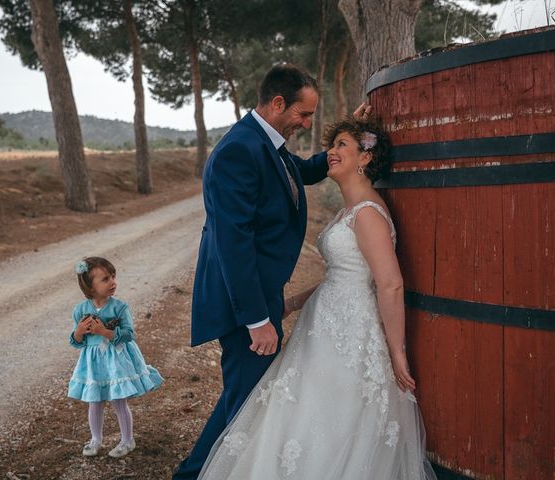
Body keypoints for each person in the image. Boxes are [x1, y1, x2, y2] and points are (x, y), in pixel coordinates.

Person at [197, 116, 437, 479]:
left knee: (332, 420)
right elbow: (343, 276)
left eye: (343, 145)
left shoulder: (368, 214)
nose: (332, 152)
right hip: (322, 327)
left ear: (366, 158)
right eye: (333, 144)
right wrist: (292, 303)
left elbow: (389, 285)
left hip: (350, 336)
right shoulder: (349, 211)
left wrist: (398, 352)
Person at [172, 64, 335, 480]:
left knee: (245, 395)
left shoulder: (267, 143)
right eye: (304, 114)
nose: (306, 123)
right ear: (278, 103)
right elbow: (234, 244)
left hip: (261, 295)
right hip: (242, 304)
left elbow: (299, 174)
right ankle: (193, 474)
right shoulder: (238, 151)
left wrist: (346, 150)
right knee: (244, 399)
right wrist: (257, 320)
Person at [68, 256, 162, 458]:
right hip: (93, 363)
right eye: (105, 279)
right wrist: (79, 331)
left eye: (113, 276)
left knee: (119, 400)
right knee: (95, 401)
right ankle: (96, 439)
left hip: (116, 359)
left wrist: (104, 332)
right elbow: (76, 342)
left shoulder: (119, 307)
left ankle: (127, 440)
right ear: (89, 286)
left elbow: (129, 334)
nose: (113, 282)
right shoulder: (80, 310)